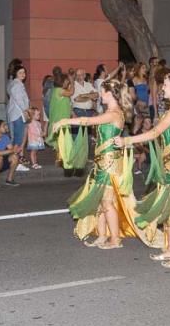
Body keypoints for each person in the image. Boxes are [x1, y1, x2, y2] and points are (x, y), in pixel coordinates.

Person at [58, 72, 162, 250]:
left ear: (110, 94)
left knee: (107, 202)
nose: (100, 95)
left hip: (110, 164)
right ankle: (102, 235)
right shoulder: (111, 112)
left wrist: (64, 121)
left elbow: (88, 121)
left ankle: (115, 239)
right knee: (101, 200)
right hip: (102, 162)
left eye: (103, 92)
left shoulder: (114, 114)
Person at [115, 67, 170, 268]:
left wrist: (126, 140)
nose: (162, 88)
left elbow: (154, 133)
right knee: (169, 207)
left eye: (165, 84)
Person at [7, 65, 30, 168]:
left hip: (17, 114)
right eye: (20, 72)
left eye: (24, 72)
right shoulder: (17, 85)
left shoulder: (16, 83)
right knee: (18, 139)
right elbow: (19, 100)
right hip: (18, 114)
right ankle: (15, 160)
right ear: (16, 73)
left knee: (17, 138)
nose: (23, 74)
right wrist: (26, 110)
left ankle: (15, 159)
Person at [0, 119, 20, 187]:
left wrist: (16, 150)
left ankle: (9, 179)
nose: (6, 127)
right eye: (4, 126)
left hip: (2, 161)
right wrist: (12, 150)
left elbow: (12, 149)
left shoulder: (5, 137)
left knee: (15, 157)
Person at [46, 71, 73, 147]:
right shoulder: (58, 90)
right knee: (61, 143)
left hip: (63, 120)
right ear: (63, 81)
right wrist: (72, 81)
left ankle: (62, 158)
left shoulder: (59, 90)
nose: (68, 82)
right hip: (59, 121)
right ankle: (61, 158)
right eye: (67, 80)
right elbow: (71, 93)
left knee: (63, 144)